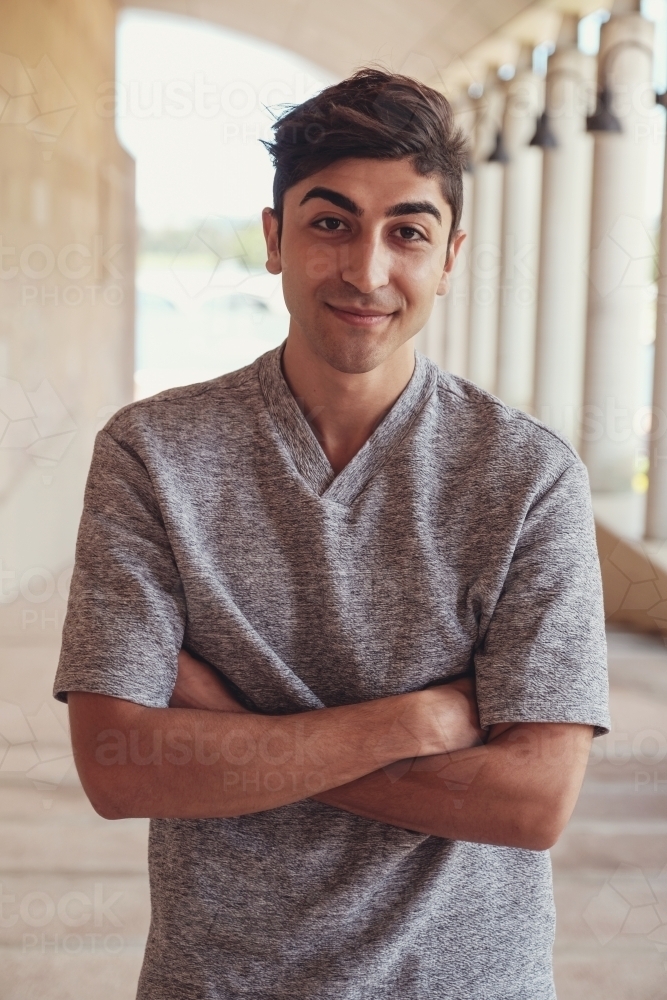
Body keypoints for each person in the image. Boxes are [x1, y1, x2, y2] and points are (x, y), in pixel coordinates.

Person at [54, 68, 610, 1000]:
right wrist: (411, 722)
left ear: (449, 258)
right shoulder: (154, 455)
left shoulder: (526, 477)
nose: (365, 270)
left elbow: (532, 802)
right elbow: (119, 766)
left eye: (407, 232)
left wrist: (233, 728)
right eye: (329, 222)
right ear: (273, 238)